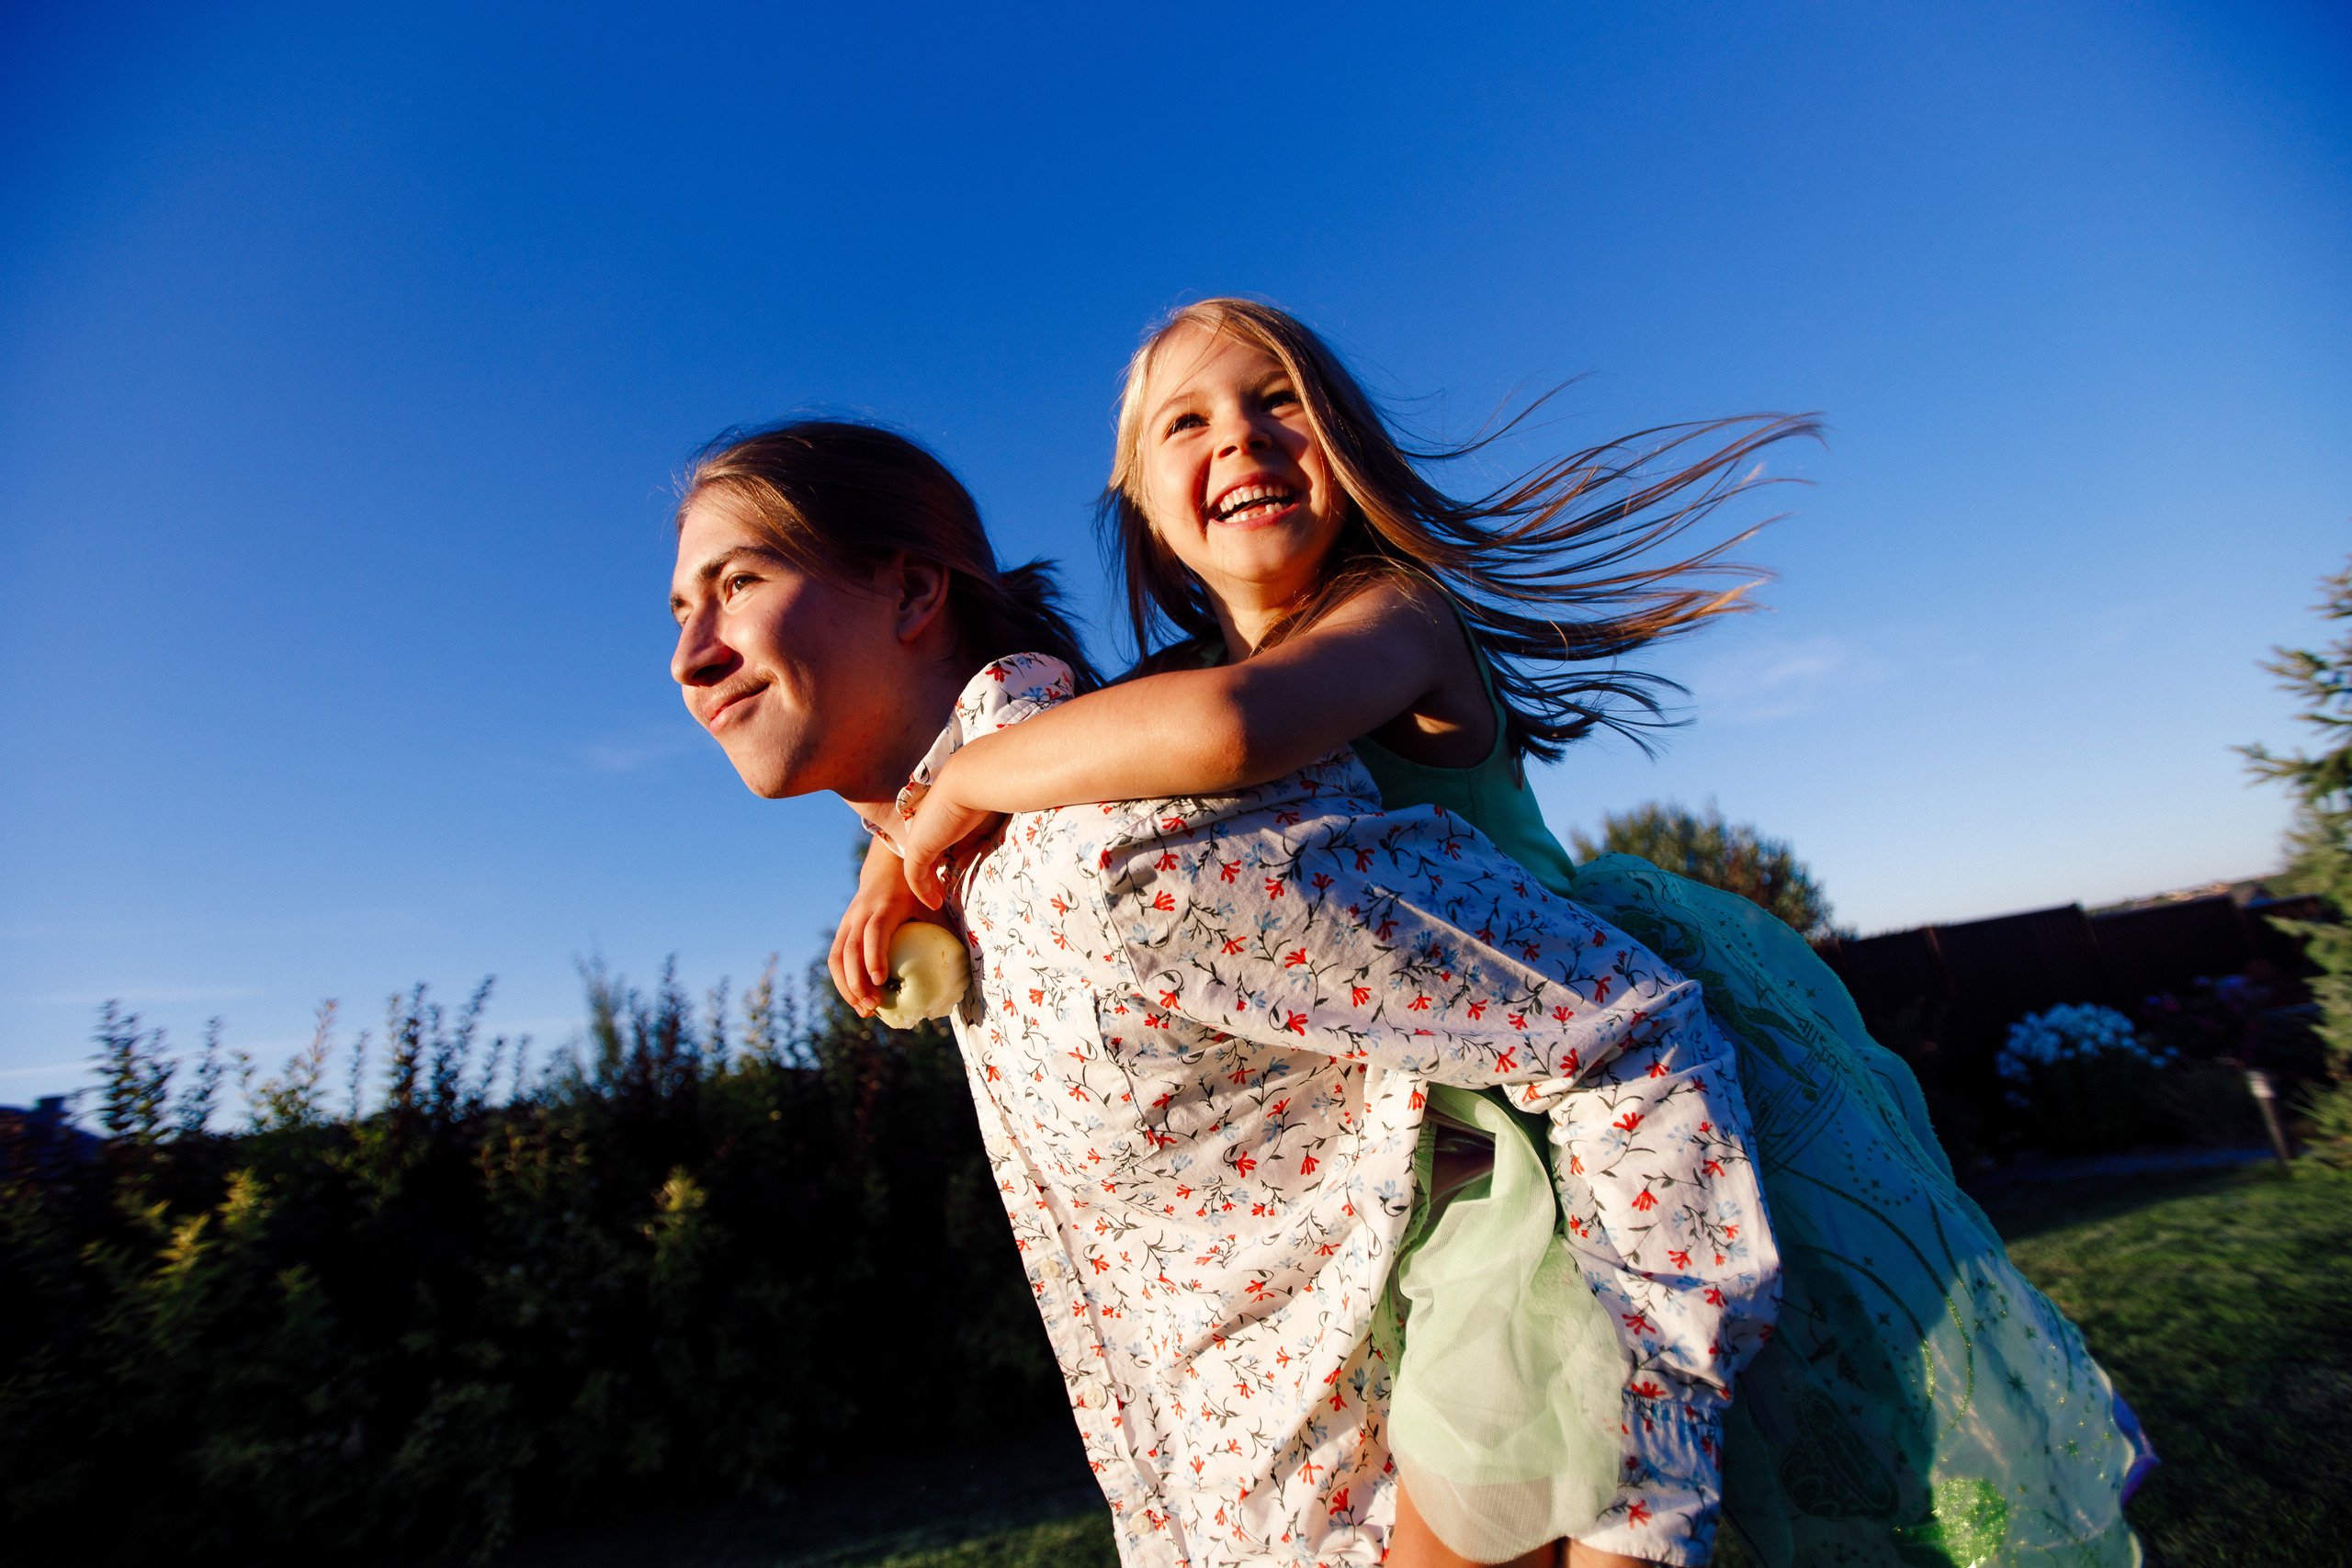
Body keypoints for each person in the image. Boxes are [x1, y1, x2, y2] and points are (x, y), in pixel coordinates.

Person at [831, 300, 2151, 1568]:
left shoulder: (1393, 617)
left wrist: (948, 798)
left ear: (1346, 442)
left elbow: (1234, 729)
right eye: (1187, 422)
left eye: (1278, 401)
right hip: (1418, 1153)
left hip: (1573, 1102)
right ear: (1142, 511)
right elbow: (1081, 752)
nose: (1237, 436)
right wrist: (900, 854)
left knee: (1598, 1486)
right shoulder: (1161, 693)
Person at [671, 416, 1782, 1568]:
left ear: (911, 591)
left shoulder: (1114, 846)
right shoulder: (974, 880)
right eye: (679, 611)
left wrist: (1631, 1506)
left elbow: (1625, 1038)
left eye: (738, 583)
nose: (687, 656)